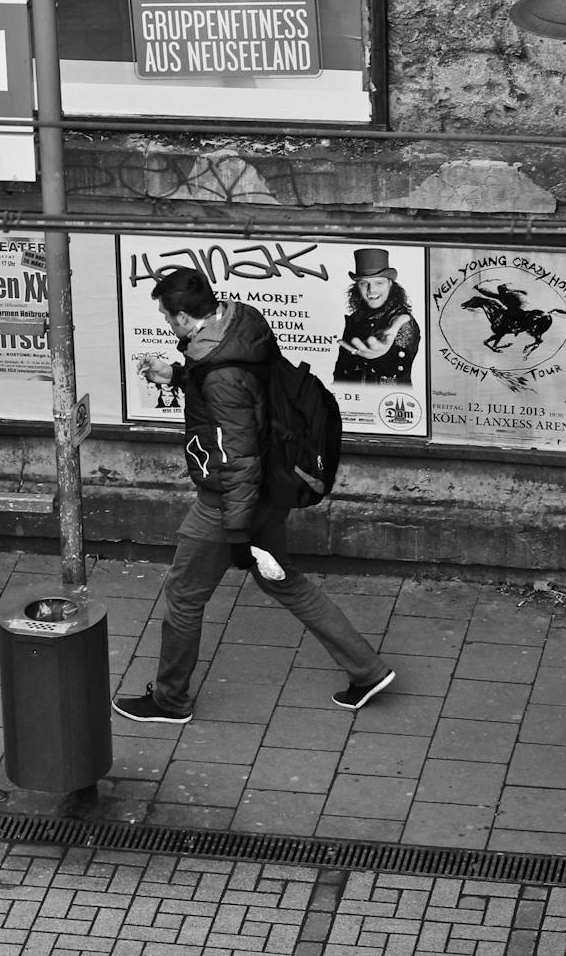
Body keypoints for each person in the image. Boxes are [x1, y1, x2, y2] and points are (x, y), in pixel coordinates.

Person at [116, 268, 393, 724]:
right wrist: (179, 374)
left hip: (229, 502)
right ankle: (367, 670)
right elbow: (243, 395)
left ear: (186, 317)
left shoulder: (221, 373)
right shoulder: (241, 322)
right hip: (272, 489)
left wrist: (237, 532)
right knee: (283, 579)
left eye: (169, 317)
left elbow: (237, 456)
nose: (168, 324)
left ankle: (170, 700)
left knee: (184, 597)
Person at [333, 247, 419, 385]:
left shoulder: (401, 321)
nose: (371, 290)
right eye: (364, 283)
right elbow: (341, 370)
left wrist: (379, 357)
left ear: (390, 284)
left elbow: (398, 366)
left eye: (379, 283)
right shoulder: (355, 319)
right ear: (356, 287)